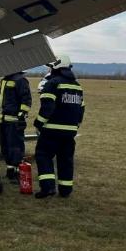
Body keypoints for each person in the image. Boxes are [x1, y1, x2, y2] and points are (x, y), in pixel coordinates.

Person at [33, 55, 85, 199]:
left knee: (43, 155)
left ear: (56, 66)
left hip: (51, 130)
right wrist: (76, 125)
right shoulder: (77, 86)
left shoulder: (52, 83)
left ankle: (48, 188)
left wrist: (38, 123)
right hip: (70, 132)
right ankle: (65, 190)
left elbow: (47, 107)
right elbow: (81, 108)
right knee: (65, 160)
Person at [0, 72, 31, 182]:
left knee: (15, 148)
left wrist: (21, 115)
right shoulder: (4, 79)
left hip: (14, 121)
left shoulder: (20, 80)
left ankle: (17, 173)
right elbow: (1, 103)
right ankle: (10, 171)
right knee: (5, 147)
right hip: (4, 121)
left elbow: (26, 100)